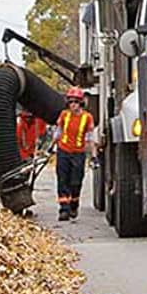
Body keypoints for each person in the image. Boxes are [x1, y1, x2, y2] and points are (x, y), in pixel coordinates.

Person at [54, 87, 94, 221]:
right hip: (63, 151)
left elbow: (89, 138)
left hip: (78, 153)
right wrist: (52, 147)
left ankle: (74, 204)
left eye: (76, 102)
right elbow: (58, 132)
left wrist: (92, 155)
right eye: (71, 102)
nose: (73, 105)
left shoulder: (87, 118)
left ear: (81, 103)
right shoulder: (64, 115)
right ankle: (64, 209)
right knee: (62, 179)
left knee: (76, 182)